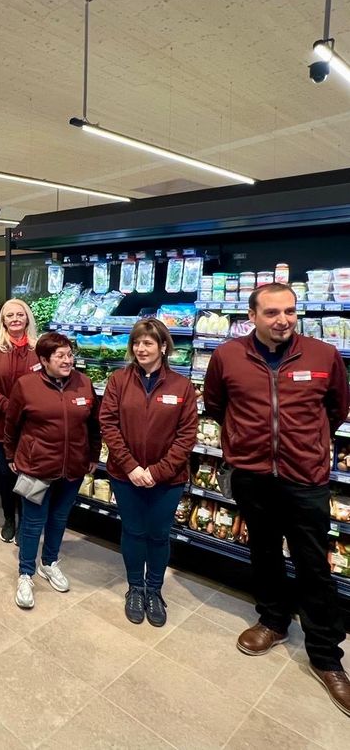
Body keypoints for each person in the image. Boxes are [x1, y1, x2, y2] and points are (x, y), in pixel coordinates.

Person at [204, 283, 350, 715]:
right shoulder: (227, 356)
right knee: (264, 552)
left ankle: (326, 657)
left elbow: (337, 409)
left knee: (313, 564)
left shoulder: (323, 355)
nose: (282, 320)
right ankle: (273, 621)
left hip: (304, 478)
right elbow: (216, 406)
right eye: (271, 312)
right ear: (252, 316)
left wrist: (304, 444)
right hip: (252, 476)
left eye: (289, 311)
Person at [99, 318, 198, 626]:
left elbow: (187, 436)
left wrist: (157, 472)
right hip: (125, 475)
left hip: (167, 480)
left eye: (148, 343)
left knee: (158, 535)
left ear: (163, 347)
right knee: (133, 531)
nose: (140, 349)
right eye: (136, 343)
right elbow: (108, 424)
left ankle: (154, 590)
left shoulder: (181, 386)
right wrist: (131, 466)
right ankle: (135, 588)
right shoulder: (118, 381)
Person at [5, 332, 101, 610]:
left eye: (70, 354)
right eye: (60, 356)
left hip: (73, 467)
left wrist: (93, 454)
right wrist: (11, 454)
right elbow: (12, 424)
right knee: (33, 522)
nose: (68, 360)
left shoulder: (84, 383)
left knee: (59, 519)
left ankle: (49, 562)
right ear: (44, 360)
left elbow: (94, 425)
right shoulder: (26, 385)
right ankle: (26, 573)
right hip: (37, 467)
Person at [0, 299, 40, 543]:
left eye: (20, 315)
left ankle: (26, 521)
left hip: (32, 425)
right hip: (1, 425)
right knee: (6, 473)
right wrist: (9, 407)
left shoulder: (39, 349)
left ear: (27, 318)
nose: (15, 319)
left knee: (29, 474)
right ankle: (9, 519)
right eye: (10, 315)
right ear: (3, 320)